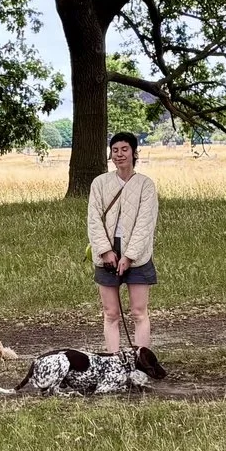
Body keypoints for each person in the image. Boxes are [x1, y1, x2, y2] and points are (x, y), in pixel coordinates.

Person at [86, 130, 159, 357]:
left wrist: (129, 256)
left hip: (138, 255)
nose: (119, 155)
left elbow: (145, 224)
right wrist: (105, 251)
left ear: (134, 153)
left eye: (124, 149)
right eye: (115, 150)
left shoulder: (145, 185)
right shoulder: (100, 183)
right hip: (107, 254)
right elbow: (93, 219)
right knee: (111, 313)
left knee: (138, 312)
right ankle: (114, 361)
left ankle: (142, 361)